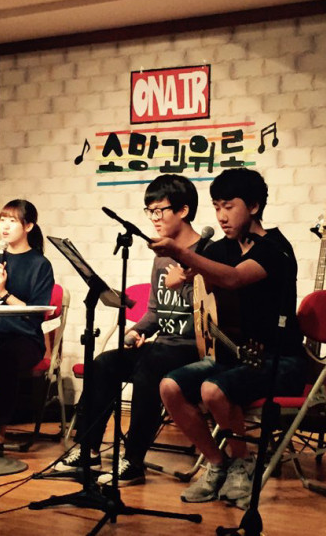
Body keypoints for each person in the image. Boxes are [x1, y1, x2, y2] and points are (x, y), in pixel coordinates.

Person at [150, 167, 306, 508]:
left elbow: (234, 278)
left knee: (213, 389)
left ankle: (243, 464)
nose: (221, 216)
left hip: (281, 359)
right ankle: (217, 463)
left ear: (253, 206)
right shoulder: (222, 248)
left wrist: (183, 254)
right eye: (216, 207)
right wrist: (183, 276)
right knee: (170, 387)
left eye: (229, 206)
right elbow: (199, 275)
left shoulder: (275, 249)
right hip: (238, 356)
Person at [55, 174, 203, 486]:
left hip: (193, 348)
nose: (154, 218)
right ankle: (89, 449)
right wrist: (134, 332)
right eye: (150, 211)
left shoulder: (206, 252)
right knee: (104, 363)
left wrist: (184, 281)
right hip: (163, 346)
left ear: (183, 210)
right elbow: (155, 310)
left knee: (149, 367)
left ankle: (134, 461)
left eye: (160, 210)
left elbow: (209, 310)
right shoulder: (162, 255)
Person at [0, 199, 54, 457]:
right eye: (2, 220)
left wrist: (3, 293)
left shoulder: (40, 264)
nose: (4, 226)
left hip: (24, 337)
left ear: (28, 226)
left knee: (7, 357)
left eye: (12, 221)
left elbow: (35, 312)